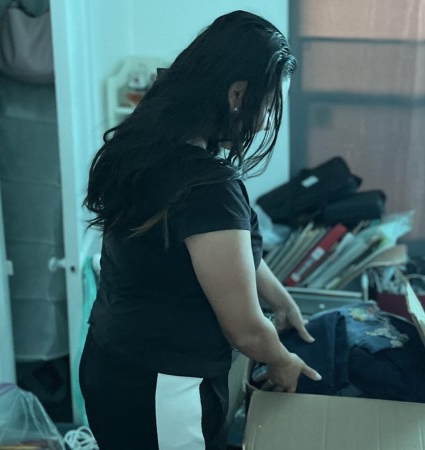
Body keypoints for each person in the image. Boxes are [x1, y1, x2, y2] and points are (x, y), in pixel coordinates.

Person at [80, 11, 320, 450]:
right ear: (237, 94)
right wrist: (282, 359)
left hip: (110, 358)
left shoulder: (147, 146)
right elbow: (245, 329)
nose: (267, 123)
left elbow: (226, 254)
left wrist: (280, 298)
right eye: (269, 107)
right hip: (161, 385)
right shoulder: (208, 186)